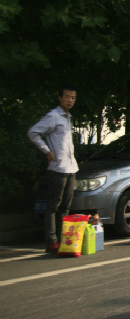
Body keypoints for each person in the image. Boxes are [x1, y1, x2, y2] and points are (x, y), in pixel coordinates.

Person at [27, 86, 79, 253]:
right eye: (67, 97)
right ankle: (51, 241)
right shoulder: (53, 116)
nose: (70, 100)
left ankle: (64, 239)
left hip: (71, 167)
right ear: (60, 98)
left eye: (73, 98)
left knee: (66, 206)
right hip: (57, 167)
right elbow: (33, 132)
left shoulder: (68, 117)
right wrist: (46, 151)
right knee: (53, 206)